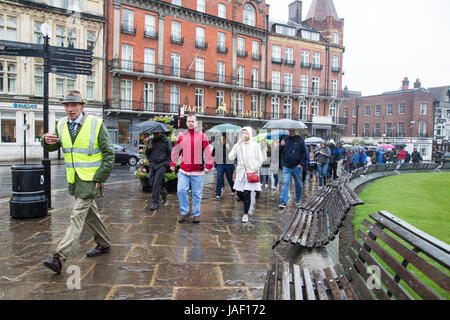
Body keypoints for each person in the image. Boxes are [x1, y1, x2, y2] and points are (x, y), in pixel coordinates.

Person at [41, 90, 114, 274]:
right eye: (67, 105)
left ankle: (58, 257)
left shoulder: (96, 123)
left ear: (82, 106)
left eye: (74, 105)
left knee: (77, 217)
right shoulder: (61, 124)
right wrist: (45, 140)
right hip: (74, 180)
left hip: (91, 180)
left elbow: (109, 154)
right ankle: (104, 244)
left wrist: (100, 177)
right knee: (91, 215)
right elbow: (54, 145)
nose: (70, 109)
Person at [170, 114, 214, 224]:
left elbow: (208, 151)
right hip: (184, 170)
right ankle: (184, 212)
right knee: (181, 190)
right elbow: (176, 151)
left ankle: (196, 214)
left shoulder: (202, 136)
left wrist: (209, 165)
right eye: (188, 121)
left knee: (196, 193)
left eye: (192, 121)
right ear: (186, 123)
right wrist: (172, 163)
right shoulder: (182, 136)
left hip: (198, 171)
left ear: (196, 123)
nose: (190, 123)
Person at [228, 127, 263, 223]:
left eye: (246, 133)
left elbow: (260, 159)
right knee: (239, 193)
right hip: (240, 173)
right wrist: (235, 146)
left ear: (250, 134)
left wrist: (255, 168)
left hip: (251, 173)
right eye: (243, 133)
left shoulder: (255, 145)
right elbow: (230, 157)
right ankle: (247, 204)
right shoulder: (238, 145)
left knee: (247, 193)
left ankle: (245, 214)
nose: (244, 135)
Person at [279, 129, 307, 208]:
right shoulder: (285, 139)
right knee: (285, 183)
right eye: (290, 129)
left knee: (298, 184)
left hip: (297, 166)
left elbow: (305, 152)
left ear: (296, 130)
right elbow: (279, 152)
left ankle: (298, 198)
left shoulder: (300, 139)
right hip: (287, 166)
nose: (292, 131)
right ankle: (283, 201)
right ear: (288, 129)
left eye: (293, 129)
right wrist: (281, 145)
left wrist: (301, 164)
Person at [145, 131, 172, 210]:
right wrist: (148, 149)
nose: (155, 134)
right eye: (154, 133)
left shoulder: (166, 141)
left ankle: (155, 203)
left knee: (156, 183)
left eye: (157, 133)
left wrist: (166, 163)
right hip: (152, 165)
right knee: (151, 182)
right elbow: (147, 154)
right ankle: (163, 192)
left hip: (161, 165)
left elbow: (170, 154)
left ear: (161, 132)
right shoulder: (151, 141)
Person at [212, 133, 235, 200]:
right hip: (220, 164)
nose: (222, 140)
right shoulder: (217, 146)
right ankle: (218, 195)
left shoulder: (230, 145)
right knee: (219, 178)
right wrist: (215, 165)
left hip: (229, 165)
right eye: (221, 139)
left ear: (226, 139)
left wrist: (228, 149)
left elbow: (233, 156)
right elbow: (213, 154)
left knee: (230, 179)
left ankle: (233, 190)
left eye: (223, 139)